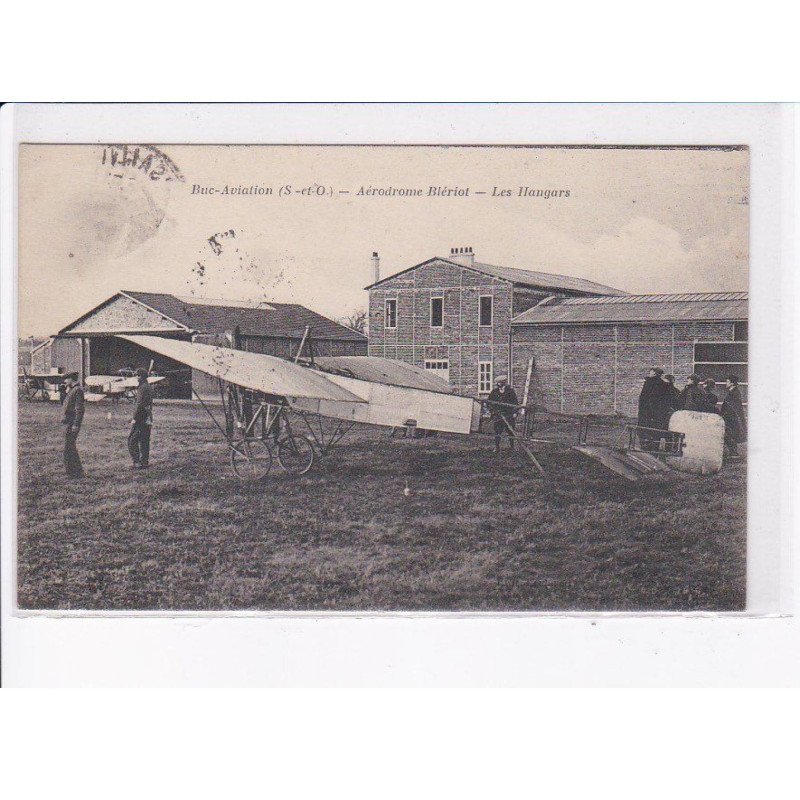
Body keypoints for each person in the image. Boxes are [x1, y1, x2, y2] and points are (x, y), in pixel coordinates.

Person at [128, 368, 153, 469]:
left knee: (132, 440)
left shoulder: (142, 388)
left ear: (140, 377)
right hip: (147, 417)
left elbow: (140, 404)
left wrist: (134, 418)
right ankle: (145, 462)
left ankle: (137, 462)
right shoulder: (148, 387)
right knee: (144, 441)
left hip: (141, 418)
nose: (136, 378)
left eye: (137, 376)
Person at [486, 375, 519, 454]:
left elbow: (515, 402)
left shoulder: (510, 391)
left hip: (509, 415)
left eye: (499, 383)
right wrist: (493, 412)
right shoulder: (494, 392)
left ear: (504, 383)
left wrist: (515, 412)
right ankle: (497, 447)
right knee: (497, 432)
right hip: (498, 415)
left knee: (510, 431)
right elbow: (489, 403)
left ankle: (512, 447)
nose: (498, 384)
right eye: (497, 383)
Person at [637, 367, 667, 450]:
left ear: (654, 373)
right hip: (657, 412)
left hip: (646, 411)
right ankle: (654, 448)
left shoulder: (648, 383)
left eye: (651, 371)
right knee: (655, 431)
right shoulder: (663, 384)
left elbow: (643, 398)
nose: (649, 373)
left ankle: (645, 448)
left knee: (644, 430)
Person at [61, 374, 85, 479]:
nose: (65, 381)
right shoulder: (72, 390)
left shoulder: (77, 390)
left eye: (66, 379)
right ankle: (74, 471)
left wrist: (76, 423)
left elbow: (79, 409)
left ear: (71, 379)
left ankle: (74, 472)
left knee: (69, 446)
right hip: (69, 421)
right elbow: (64, 404)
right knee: (69, 446)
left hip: (72, 421)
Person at [720, 375, 747, 459]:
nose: (726, 383)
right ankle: (733, 453)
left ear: (732, 383)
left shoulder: (734, 393)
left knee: (730, 434)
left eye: (727, 381)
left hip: (732, 418)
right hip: (730, 417)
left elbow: (732, 407)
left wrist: (725, 415)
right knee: (730, 434)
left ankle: (734, 453)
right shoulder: (733, 392)